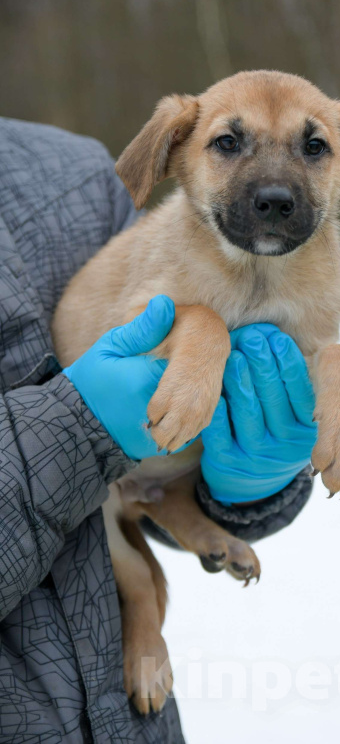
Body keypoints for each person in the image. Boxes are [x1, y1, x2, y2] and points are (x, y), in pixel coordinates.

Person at [0, 117, 316, 744]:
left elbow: (178, 352)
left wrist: (250, 492)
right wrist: (70, 429)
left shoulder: (72, 170)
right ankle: (143, 598)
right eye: (229, 145)